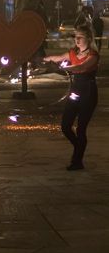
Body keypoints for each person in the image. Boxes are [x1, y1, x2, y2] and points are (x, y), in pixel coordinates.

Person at [44, 24, 99, 171]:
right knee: (65, 126)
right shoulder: (73, 53)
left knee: (81, 129)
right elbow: (57, 57)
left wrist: (63, 68)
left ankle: (77, 161)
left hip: (88, 93)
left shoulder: (93, 55)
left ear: (88, 38)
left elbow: (81, 67)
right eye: (75, 37)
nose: (77, 40)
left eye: (80, 37)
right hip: (75, 93)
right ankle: (79, 146)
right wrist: (43, 60)